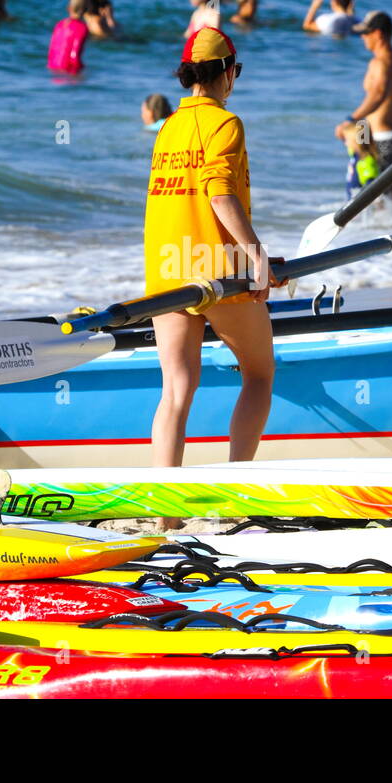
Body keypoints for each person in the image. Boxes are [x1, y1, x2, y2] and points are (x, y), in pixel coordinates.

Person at [145, 27, 279, 479]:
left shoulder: (167, 128)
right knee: (259, 375)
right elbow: (218, 192)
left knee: (176, 390)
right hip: (219, 275)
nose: (235, 79)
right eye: (235, 70)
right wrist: (257, 258)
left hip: (168, 274)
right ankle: (233, 486)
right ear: (225, 72)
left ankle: (167, 514)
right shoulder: (226, 123)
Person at [334, 11, 392, 198]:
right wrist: (361, 130)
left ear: (378, 34)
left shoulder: (378, 62)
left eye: (365, 33)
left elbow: (377, 95)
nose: (362, 37)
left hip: (383, 140)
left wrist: (349, 121)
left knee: (376, 202)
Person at [47, 0, 89, 74]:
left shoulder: (59, 24)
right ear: (85, 10)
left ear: (69, 8)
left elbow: (51, 50)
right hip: (67, 69)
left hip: (52, 66)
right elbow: (74, 56)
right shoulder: (81, 27)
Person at [339, 121, 379, 199]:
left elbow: (371, 183)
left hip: (359, 200)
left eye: (347, 140)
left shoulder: (366, 161)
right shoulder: (355, 155)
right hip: (352, 197)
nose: (345, 143)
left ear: (356, 142)